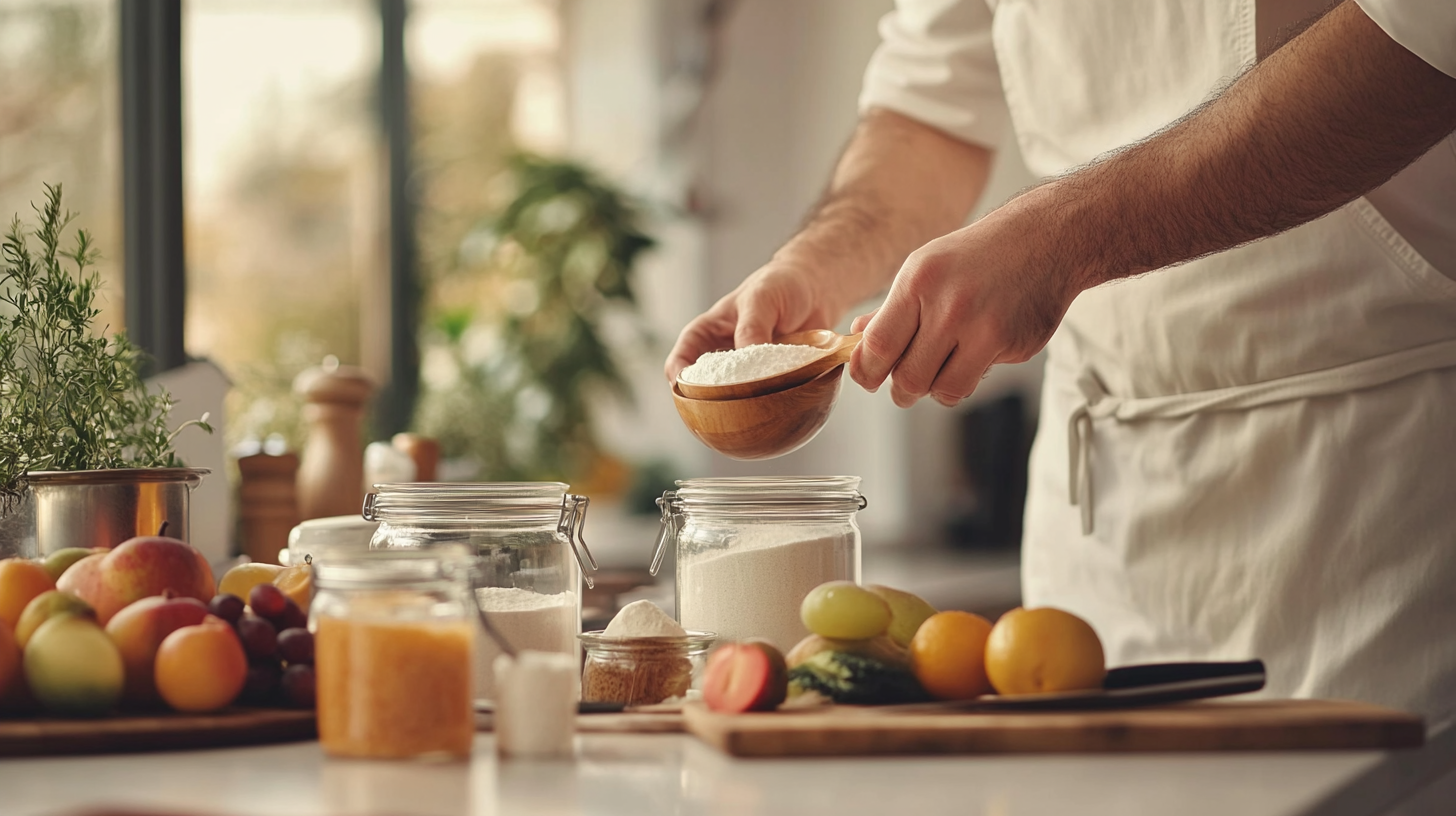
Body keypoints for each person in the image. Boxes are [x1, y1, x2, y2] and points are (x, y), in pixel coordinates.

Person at [666, 0, 1456, 724]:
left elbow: (1422, 40)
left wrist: (1065, 240)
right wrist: (817, 264)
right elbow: (925, 111)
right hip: (1102, 522)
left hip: (1384, 491)